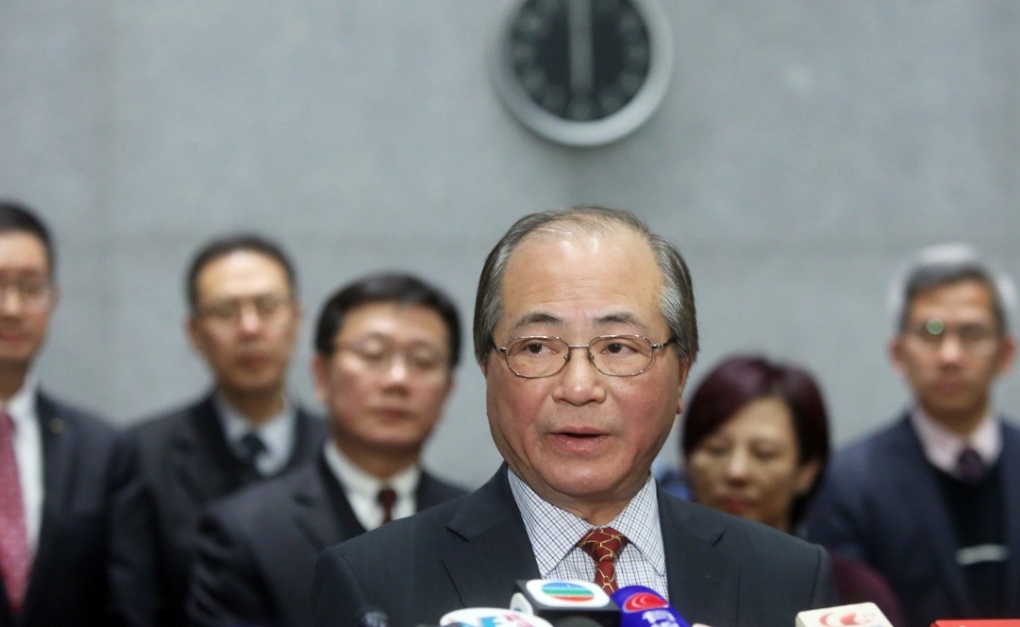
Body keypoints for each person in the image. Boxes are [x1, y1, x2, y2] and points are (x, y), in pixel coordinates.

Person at [311, 206, 837, 626]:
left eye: (618, 348)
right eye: (537, 347)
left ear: (681, 376)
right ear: (488, 369)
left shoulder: (790, 578)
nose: (579, 388)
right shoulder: (374, 582)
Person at [186, 272, 469, 627]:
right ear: (321, 375)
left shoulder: (473, 524)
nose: (397, 379)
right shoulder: (244, 530)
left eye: (423, 361)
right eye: (373, 354)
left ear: (447, 390)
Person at [806, 243, 1020, 627]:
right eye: (931, 332)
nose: (950, 355)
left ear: (1006, 353)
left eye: (972, 332)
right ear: (898, 353)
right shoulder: (847, 482)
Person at [131, 233, 327, 626]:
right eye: (225, 311)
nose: (250, 327)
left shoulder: (342, 449)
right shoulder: (143, 456)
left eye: (267, 307)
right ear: (194, 332)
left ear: (296, 318)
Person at [0, 201, 153, 625]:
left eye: (30, 287)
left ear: (53, 299)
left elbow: (130, 608)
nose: (12, 308)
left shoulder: (102, 452)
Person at [681, 354, 905, 624]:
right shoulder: (659, 573)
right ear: (686, 459)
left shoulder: (853, 595)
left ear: (807, 470)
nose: (736, 471)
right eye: (716, 450)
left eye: (764, 453)